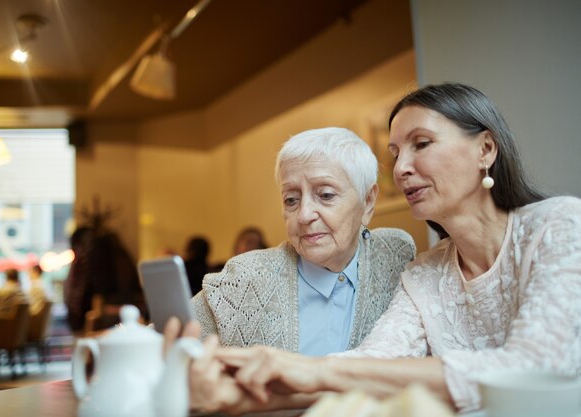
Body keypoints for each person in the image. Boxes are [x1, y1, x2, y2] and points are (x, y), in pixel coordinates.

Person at [181, 83, 581, 414]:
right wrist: (235, 398)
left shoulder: (559, 225)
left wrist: (308, 369)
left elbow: (536, 367)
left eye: (420, 144)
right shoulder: (425, 272)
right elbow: (371, 365)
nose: (401, 167)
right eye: (395, 153)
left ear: (486, 150)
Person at [191, 127, 416, 356]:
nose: (304, 215)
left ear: (367, 202)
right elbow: (162, 340)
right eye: (291, 200)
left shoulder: (395, 255)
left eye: (326, 195)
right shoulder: (244, 279)